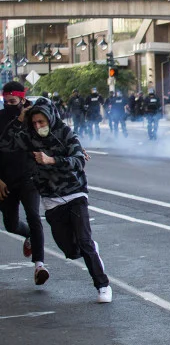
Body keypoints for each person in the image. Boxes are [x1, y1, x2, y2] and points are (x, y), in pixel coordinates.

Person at [0, 97, 112, 303]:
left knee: (84, 241)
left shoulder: (65, 133)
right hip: (52, 200)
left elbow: (78, 160)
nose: (38, 126)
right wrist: (19, 120)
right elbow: (5, 144)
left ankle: (102, 285)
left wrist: (51, 160)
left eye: (41, 122)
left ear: (50, 118)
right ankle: (89, 250)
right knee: (70, 250)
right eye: (34, 122)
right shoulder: (29, 136)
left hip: (75, 193)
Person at [0, 82, 46, 284]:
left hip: (29, 177)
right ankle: (27, 234)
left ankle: (39, 266)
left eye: (13, 101)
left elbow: (51, 136)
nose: (9, 104)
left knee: (34, 216)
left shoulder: (33, 118)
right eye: (6, 101)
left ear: (22, 99)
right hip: (5, 181)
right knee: (10, 224)